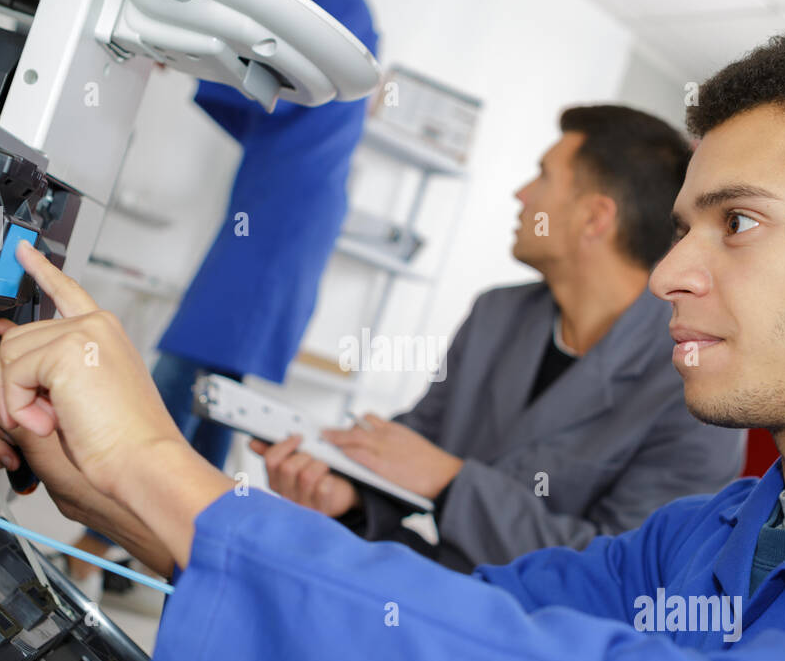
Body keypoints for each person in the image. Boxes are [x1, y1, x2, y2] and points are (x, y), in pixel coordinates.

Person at [0, 22, 785, 661]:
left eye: (740, 223)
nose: (668, 274)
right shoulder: (704, 538)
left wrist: (158, 465)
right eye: (682, 226)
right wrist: (107, 487)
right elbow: (459, 629)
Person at [251, 106, 744, 571]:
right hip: (429, 586)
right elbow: (419, 439)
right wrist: (350, 491)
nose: (522, 195)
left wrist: (452, 483)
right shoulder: (498, 313)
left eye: (544, 175)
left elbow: (624, 568)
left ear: (595, 218)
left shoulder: (697, 380)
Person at [66, 0, 378, 583]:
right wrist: (189, 59)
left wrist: (196, 46)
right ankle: (193, 559)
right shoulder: (292, 14)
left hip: (285, 223)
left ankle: (93, 546)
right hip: (263, 213)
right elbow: (250, 110)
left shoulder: (340, 4)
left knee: (179, 374)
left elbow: (284, 90)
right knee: (215, 396)